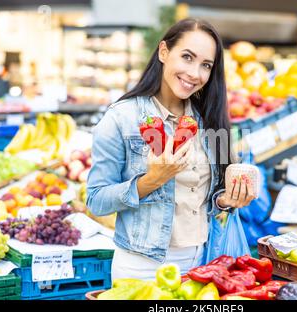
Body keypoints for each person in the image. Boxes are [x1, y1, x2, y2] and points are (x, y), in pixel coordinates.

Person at [86, 18, 256, 282]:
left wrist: (226, 200)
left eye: (206, 65)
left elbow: (212, 199)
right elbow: (96, 201)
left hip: (201, 263)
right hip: (141, 268)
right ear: (164, 52)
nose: (195, 73)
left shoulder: (211, 120)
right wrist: (152, 180)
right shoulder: (122, 118)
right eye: (187, 57)